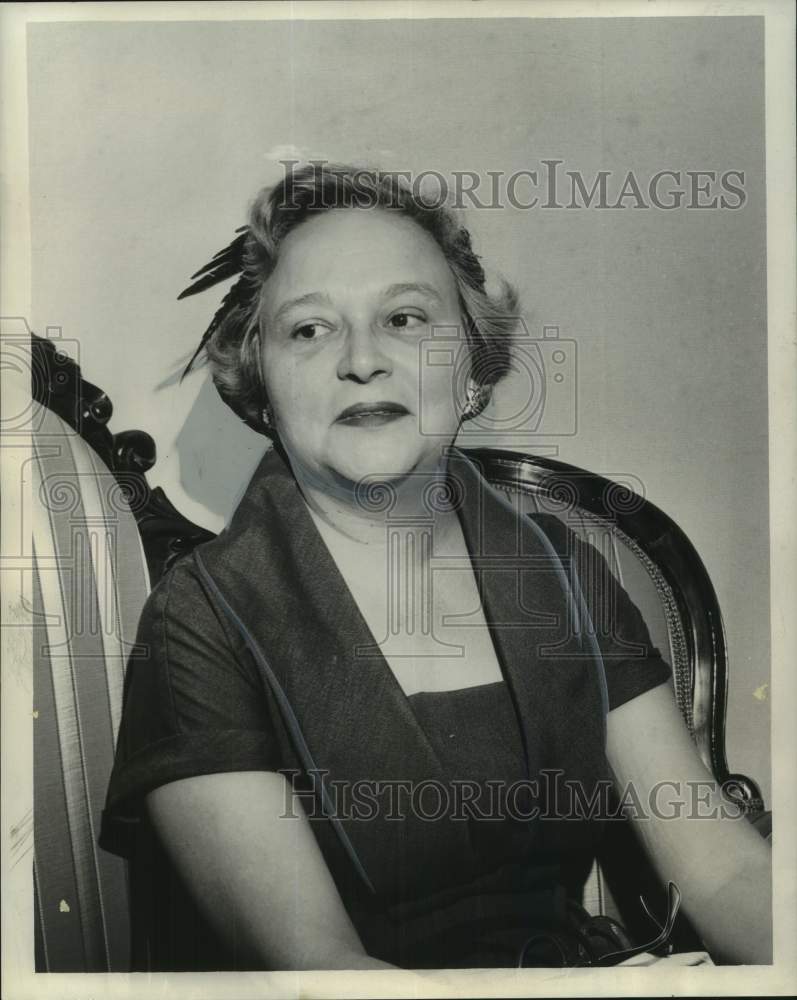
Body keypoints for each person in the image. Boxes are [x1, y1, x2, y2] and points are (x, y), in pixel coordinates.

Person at [99, 163, 772, 971]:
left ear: (472, 373)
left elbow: (723, 867)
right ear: (261, 387)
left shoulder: (562, 572)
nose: (361, 360)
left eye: (407, 319)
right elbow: (317, 973)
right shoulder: (196, 621)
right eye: (309, 329)